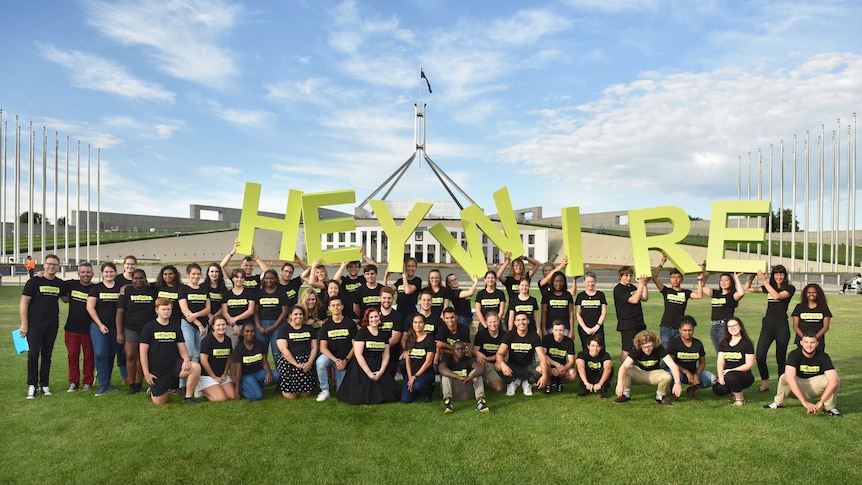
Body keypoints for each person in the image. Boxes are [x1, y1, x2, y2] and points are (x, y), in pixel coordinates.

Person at [19, 254, 68, 399]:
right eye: (49, 264)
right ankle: (32, 385)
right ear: (44, 265)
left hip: (51, 325)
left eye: (54, 264)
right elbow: (24, 303)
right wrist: (24, 324)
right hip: (34, 325)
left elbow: (66, 299)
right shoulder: (34, 282)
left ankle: (44, 385)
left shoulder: (60, 284)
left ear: (58, 267)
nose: (51, 266)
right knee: (33, 355)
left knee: (47, 355)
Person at [139, 298, 202, 405]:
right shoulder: (149, 327)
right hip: (158, 368)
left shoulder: (175, 327)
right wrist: (146, 373)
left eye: (168, 309)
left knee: (195, 367)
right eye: (163, 309)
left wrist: (186, 359)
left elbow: (181, 346)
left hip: (173, 364)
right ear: (157, 310)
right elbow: (143, 352)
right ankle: (154, 391)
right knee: (160, 402)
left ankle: (188, 398)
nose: (166, 312)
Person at [744, 265, 795, 393]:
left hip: (781, 326)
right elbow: (747, 288)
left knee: (780, 357)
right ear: (773, 275)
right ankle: (765, 383)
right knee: (760, 355)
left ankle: (782, 385)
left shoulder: (790, 288)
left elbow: (777, 296)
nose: (779, 277)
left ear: (785, 276)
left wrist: (764, 281)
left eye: (781, 274)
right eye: (776, 274)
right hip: (767, 326)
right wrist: (752, 276)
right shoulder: (769, 287)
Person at [763, 333, 842, 417]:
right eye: (806, 342)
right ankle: (778, 403)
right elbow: (790, 379)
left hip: (815, 387)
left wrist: (820, 403)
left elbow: (833, 381)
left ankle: (829, 408)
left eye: (812, 342)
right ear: (801, 343)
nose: (809, 345)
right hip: (797, 386)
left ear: (817, 343)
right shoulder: (794, 355)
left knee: (834, 379)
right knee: (785, 377)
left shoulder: (823, 356)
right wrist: (804, 402)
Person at [337, 308, 400, 405]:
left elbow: (386, 356)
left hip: (378, 365)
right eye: (371, 317)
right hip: (362, 367)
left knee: (392, 393)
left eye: (376, 316)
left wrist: (380, 372)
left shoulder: (384, 335)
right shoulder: (362, 333)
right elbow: (358, 354)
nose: (374, 319)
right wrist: (369, 373)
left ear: (379, 318)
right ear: (367, 319)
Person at [614, 330, 682, 405]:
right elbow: (624, 366)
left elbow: (672, 365)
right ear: (640, 345)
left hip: (653, 374)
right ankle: (625, 395)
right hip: (638, 373)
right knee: (625, 371)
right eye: (645, 347)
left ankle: (660, 396)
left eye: (650, 346)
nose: (647, 349)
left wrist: (677, 383)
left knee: (667, 376)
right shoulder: (636, 349)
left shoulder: (659, 348)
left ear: (654, 343)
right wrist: (619, 383)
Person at [116, 268, 156, 394]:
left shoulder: (152, 290)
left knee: (143, 357)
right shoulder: (127, 291)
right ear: (132, 279)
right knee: (130, 355)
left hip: (147, 329)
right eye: (135, 278)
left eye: (141, 278)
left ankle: (139, 383)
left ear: (145, 278)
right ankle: (131, 384)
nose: (138, 280)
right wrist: (119, 332)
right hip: (130, 328)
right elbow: (120, 313)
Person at [651, 253, 703, 348]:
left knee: (677, 351)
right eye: (673, 277)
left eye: (678, 277)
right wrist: (662, 263)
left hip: (679, 328)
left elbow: (699, 295)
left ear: (682, 279)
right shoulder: (666, 290)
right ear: (670, 279)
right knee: (666, 352)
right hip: (666, 326)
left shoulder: (685, 292)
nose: (675, 280)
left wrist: (699, 280)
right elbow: (654, 277)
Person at [495, 313, 551, 396]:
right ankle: (510, 384)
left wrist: (545, 375)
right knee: (498, 365)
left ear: (528, 321)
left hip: (528, 367)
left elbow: (542, 356)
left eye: (524, 319)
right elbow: (499, 354)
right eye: (518, 320)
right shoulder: (509, 335)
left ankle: (528, 383)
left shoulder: (534, 336)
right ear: (514, 322)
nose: (521, 322)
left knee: (545, 366)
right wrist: (503, 364)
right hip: (512, 367)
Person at [88, 262, 122, 396]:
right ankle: (103, 384)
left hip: (115, 327)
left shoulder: (120, 288)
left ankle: (107, 383)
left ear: (115, 273)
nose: (109, 274)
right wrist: (100, 324)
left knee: (110, 354)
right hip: (99, 327)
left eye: (111, 272)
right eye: (106, 272)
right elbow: (90, 307)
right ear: (102, 273)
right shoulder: (96, 288)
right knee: (100, 353)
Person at [315, 296, 356, 401]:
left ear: (342, 307)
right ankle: (325, 390)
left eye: (338, 305)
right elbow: (323, 348)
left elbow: (355, 346)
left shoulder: (350, 323)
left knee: (341, 392)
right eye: (333, 305)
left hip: (345, 359)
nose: (336, 307)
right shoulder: (326, 325)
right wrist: (335, 360)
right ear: (329, 308)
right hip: (332, 358)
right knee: (320, 362)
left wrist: (346, 360)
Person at [665, 316, 716, 399]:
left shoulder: (698, 343)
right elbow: (671, 362)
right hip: (679, 371)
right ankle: (674, 391)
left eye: (690, 330)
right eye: (685, 330)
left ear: (693, 330)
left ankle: (692, 389)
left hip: (693, 371)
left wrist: (697, 374)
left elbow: (702, 362)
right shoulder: (674, 343)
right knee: (671, 375)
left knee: (712, 379)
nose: (687, 333)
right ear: (680, 330)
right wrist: (686, 372)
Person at [178, 263, 211, 390]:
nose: (196, 276)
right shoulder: (183, 289)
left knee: (199, 354)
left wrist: (196, 316)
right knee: (189, 354)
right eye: (193, 274)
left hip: (202, 325)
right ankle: (182, 384)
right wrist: (198, 324)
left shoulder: (204, 289)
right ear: (188, 275)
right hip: (188, 325)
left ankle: (196, 382)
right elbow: (184, 310)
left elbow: (208, 309)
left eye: (198, 274)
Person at [63, 262, 95, 392]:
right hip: (71, 328)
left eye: (88, 272)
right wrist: (41, 274)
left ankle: (88, 382)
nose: (85, 274)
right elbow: (56, 284)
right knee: (72, 356)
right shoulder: (71, 284)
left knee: (89, 356)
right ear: (78, 274)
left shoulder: (96, 288)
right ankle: (73, 382)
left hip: (90, 329)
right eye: (83, 272)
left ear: (92, 274)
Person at [276, 306, 319, 399]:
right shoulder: (284, 329)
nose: (298, 316)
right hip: (289, 361)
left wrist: (310, 362)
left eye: (300, 314)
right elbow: (283, 349)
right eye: (295, 314)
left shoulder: (309, 328)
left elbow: (314, 347)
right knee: (290, 396)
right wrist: (296, 364)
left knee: (305, 394)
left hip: (306, 361)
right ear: (290, 316)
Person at [232, 321, 280, 401]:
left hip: (258, 373)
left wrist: (268, 373)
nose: (250, 334)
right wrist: (236, 391)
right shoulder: (239, 349)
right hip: (246, 376)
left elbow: (264, 362)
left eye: (252, 331)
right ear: (242, 333)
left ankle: (254, 386)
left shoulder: (259, 344)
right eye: (247, 331)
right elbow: (238, 371)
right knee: (258, 396)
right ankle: (242, 389)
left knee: (276, 376)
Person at [714, 317, 756, 406]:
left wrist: (731, 370)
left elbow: (749, 364)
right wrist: (720, 376)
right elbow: (720, 362)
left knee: (730, 376)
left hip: (744, 375)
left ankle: (740, 399)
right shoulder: (724, 343)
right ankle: (732, 392)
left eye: (735, 325)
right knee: (718, 389)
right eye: (730, 326)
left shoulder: (747, 344)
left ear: (740, 327)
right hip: (727, 374)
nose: (732, 328)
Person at [439, 341, 489, 413]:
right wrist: (459, 377)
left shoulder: (468, 359)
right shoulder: (447, 359)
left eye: (462, 349)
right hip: (452, 391)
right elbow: (441, 369)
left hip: (466, 390)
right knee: (445, 376)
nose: (460, 351)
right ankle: (448, 403)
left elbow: (481, 368)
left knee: (477, 374)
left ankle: (481, 402)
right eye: (457, 349)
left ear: (465, 350)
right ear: (453, 350)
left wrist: (471, 377)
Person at [700, 271, 745, 353]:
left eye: (726, 280)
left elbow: (741, 293)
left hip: (724, 326)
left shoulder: (732, 295)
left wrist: (736, 278)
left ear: (731, 282)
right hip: (714, 327)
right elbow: (701, 287)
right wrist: (707, 275)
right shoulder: (716, 293)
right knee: (719, 353)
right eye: (721, 280)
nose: (723, 282)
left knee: (725, 352)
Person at [613, 266, 649, 362]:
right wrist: (640, 285)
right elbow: (634, 300)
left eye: (630, 275)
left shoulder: (632, 287)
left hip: (638, 321)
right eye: (626, 275)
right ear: (620, 276)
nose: (629, 278)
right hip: (627, 323)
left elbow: (644, 298)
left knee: (639, 346)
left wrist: (644, 285)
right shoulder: (619, 289)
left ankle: (637, 367)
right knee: (627, 348)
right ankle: (625, 371)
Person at [198, 315, 236, 402]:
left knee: (232, 396)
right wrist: (214, 377)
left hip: (221, 375)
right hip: (207, 376)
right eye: (218, 325)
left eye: (223, 325)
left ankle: (216, 388)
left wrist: (224, 374)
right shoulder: (207, 340)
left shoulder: (228, 340)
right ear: (213, 326)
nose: (221, 327)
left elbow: (229, 358)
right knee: (221, 398)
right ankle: (200, 389)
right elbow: (203, 361)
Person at [401, 313, 437, 403]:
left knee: (417, 385)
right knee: (405, 400)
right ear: (412, 324)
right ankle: (416, 389)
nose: (418, 325)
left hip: (426, 373)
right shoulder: (409, 339)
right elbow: (408, 360)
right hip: (412, 373)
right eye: (415, 322)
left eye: (420, 322)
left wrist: (415, 376)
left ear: (424, 324)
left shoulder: (430, 339)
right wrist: (410, 377)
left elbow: (428, 362)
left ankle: (428, 392)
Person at [254, 269, 288, 363]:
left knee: (277, 351)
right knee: (260, 352)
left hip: (277, 324)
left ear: (276, 279)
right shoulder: (259, 293)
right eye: (267, 278)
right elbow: (255, 312)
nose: (269, 280)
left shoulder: (281, 292)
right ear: (263, 279)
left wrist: (274, 326)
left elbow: (284, 312)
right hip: (261, 323)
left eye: (271, 278)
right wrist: (258, 327)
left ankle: (280, 375)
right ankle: (263, 375)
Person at [221, 269, 257, 347]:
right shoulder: (227, 294)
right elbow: (224, 312)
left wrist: (236, 318)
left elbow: (250, 310)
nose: (239, 280)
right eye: (237, 277)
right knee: (232, 350)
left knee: (248, 349)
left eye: (241, 278)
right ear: (233, 279)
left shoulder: (249, 293)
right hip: (231, 327)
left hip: (247, 326)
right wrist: (234, 324)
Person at [539, 320, 577, 393]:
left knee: (572, 374)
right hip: (549, 366)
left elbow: (572, 361)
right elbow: (542, 355)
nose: (558, 333)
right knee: (541, 369)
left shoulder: (569, 342)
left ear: (564, 330)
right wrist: (557, 365)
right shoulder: (547, 338)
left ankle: (559, 382)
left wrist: (562, 368)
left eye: (561, 330)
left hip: (561, 368)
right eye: (556, 330)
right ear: (552, 330)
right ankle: (548, 384)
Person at [472, 312, 506, 392]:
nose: (493, 324)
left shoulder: (504, 335)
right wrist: (477, 353)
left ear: (499, 321)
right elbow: (473, 352)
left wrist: (486, 358)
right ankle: (478, 380)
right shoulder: (481, 334)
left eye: (495, 321)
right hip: (481, 363)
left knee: (498, 388)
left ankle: (488, 379)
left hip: (494, 363)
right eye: (490, 322)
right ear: (486, 322)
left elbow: (501, 354)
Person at [791, 283, 831, 349]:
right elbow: (795, 326)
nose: (811, 294)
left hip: (818, 341)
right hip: (802, 341)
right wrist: (805, 339)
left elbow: (826, 327)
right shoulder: (799, 307)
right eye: (809, 292)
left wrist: (814, 339)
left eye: (814, 292)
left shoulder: (823, 307)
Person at [575, 271, 607, 351]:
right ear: (584, 282)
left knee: (599, 348)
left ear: (595, 281)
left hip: (597, 328)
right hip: (584, 328)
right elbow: (578, 314)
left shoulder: (600, 295)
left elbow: (603, 312)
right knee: (586, 349)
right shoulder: (580, 296)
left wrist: (597, 326)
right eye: (588, 282)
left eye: (592, 281)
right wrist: (585, 328)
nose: (590, 284)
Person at [379, 286, 405, 378]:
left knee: (388, 380)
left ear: (393, 299)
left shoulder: (397, 316)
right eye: (384, 298)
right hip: (374, 354)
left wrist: (380, 349)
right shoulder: (374, 314)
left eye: (389, 298)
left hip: (391, 354)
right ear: (380, 298)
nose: (386, 300)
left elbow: (395, 338)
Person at [541, 271, 574, 337]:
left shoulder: (567, 295)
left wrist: (572, 330)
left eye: (561, 281)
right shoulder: (547, 295)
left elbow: (571, 313)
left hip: (565, 329)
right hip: (550, 328)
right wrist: (543, 329)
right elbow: (543, 314)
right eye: (556, 281)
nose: (559, 283)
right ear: (552, 282)